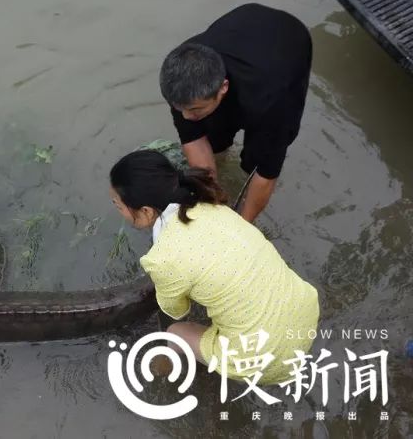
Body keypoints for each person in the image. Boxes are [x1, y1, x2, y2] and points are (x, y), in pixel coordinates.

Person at [108, 149, 319, 384]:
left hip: (264, 357)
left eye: (117, 205)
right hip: (305, 313)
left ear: (146, 211)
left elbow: (176, 310)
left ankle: (164, 368)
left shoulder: (163, 258)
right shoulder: (214, 207)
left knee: (174, 332)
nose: (118, 210)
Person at [159, 3, 312, 222]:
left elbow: (265, 176)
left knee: (256, 159)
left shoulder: (273, 101)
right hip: (243, 24)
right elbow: (193, 137)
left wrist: (240, 225)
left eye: (194, 109)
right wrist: (212, 200)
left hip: (288, 44)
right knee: (214, 138)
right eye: (179, 109)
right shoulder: (180, 75)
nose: (185, 117)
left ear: (223, 88)